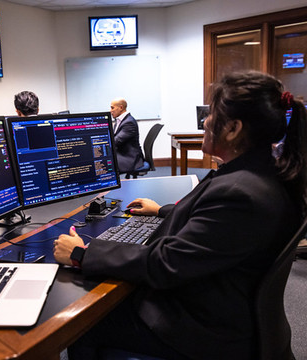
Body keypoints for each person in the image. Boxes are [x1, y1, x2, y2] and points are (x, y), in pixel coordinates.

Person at [53, 71, 307, 359]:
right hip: (224, 305)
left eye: (212, 114)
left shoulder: (240, 193)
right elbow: (217, 229)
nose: (206, 122)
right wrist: (161, 210)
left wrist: (83, 254)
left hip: (204, 329)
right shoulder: (261, 174)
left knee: (84, 322)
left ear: (234, 128)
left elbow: (166, 265)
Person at [110, 98, 144, 174]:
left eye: (112, 108)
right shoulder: (119, 120)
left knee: (103, 164)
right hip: (122, 153)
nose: (110, 110)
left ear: (121, 108)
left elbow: (116, 141)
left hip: (129, 157)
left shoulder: (129, 122)